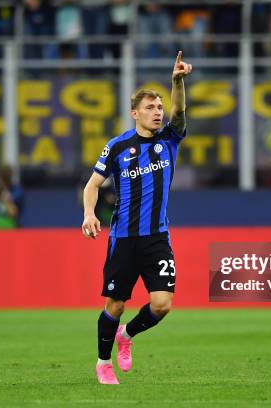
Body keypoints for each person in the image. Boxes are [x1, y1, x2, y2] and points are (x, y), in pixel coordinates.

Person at [82, 51, 193, 385]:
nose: (157, 112)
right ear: (135, 113)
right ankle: (103, 363)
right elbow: (93, 184)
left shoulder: (170, 140)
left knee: (161, 305)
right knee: (114, 304)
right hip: (125, 238)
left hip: (157, 237)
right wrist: (89, 212)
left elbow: (180, 110)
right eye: (150, 107)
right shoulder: (117, 147)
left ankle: (126, 336)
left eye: (159, 107)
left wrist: (177, 82)